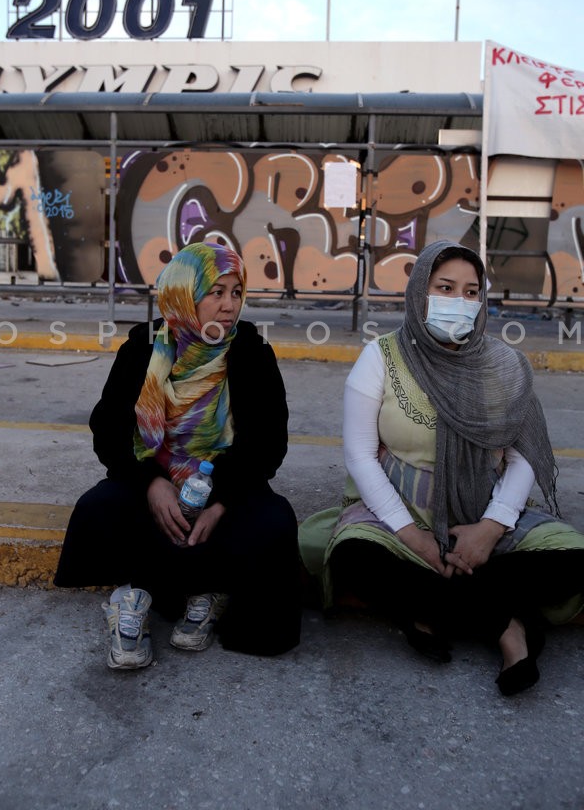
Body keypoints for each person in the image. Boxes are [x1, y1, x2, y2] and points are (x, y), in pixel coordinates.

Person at [299, 240, 584, 696]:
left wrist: (490, 530)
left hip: (486, 513)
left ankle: (427, 610)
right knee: (353, 557)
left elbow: (524, 455)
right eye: (445, 287)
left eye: (472, 292)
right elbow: (359, 455)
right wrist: (413, 538)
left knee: (574, 562)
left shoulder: (503, 365)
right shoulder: (382, 358)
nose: (460, 302)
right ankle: (508, 626)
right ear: (419, 291)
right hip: (400, 514)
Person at [55, 242, 301, 667]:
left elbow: (268, 442)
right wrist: (151, 482)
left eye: (236, 292)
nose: (229, 306)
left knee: (273, 522)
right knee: (101, 508)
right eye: (216, 292)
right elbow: (109, 430)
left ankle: (196, 592)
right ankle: (146, 594)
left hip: (225, 484)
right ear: (184, 294)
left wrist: (223, 499)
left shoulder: (250, 353)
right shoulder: (143, 347)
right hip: (154, 476)